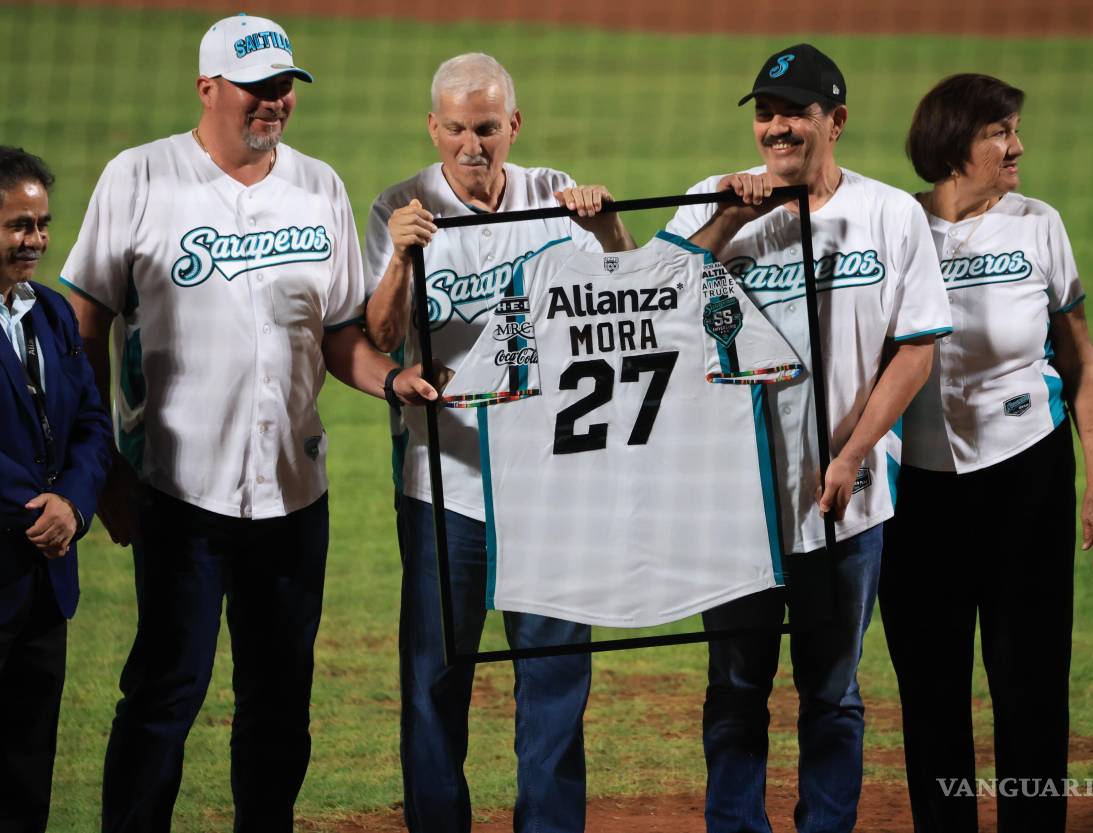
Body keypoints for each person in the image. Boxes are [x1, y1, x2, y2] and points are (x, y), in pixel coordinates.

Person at [60, 15, 436, 833]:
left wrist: (391, 378)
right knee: (166, 693)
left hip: (295, 494)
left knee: (279, 702)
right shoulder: (140, 177)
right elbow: (84, 325)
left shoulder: (319, 186)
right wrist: (107, 474)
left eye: (282, 87)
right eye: (254, 86)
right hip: (176, 490)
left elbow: (341, 335)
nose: (272, 102)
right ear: (207, 87)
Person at [665, 44, 952, 833]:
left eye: (795, 112)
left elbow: (917, 347)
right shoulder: (710, 200)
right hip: (732, 505)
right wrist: (730, 216)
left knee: (831, 691)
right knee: (734, 687)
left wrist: (855, 454)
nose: (777, 127)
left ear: (837, 121)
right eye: (766, 113)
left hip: (845, 504)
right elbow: (652, 305)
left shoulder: (890, 214)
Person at [363, 52, 635, 833]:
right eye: (455, 129)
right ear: (433, 128)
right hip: (442, 487)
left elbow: (632, 296)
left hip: (552, 485)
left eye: (486, 128)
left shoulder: (556, 195)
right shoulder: (399, 205)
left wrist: (606, 224)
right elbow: (380, 339)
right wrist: (402, 259)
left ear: (513, 125)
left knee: (553, 677)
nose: (471, 145)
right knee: (433, 679)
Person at [878, 72, 1093, 833]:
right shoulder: (893, 226)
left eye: (1014, 130)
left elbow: (1080, 360)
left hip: (1030, 477)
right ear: (956, 146)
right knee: (931, 686)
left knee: (1029, 683)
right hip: (918, 494)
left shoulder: (1038, 224)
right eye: (1000, 133)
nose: (1017, 146)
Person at [0, 147, 111, 833]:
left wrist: (73, 500)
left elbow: (91, 423)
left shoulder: (52, 313)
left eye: (41, 224)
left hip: (45, 575)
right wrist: (35, 505)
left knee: (27, 759)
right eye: (18, 225)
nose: (35, 240)